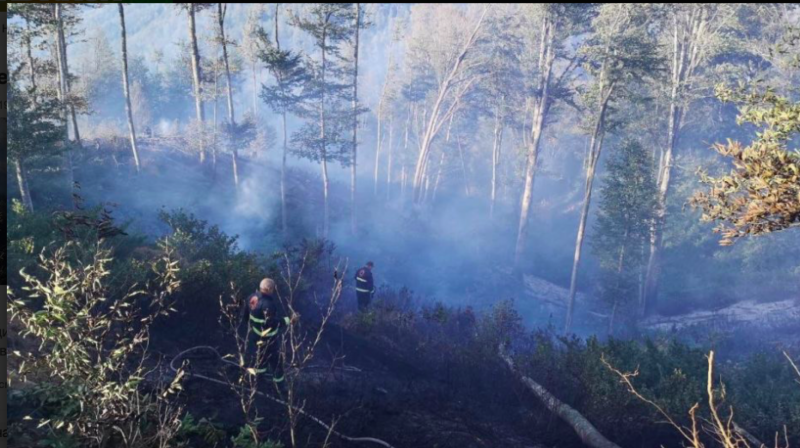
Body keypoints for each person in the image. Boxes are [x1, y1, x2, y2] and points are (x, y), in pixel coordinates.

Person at [243, 278, 293, 383]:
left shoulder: (252, 297)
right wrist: (289, 320)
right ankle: (280, 387)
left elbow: (245, 317)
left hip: (256, 337)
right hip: (269, 341)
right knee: (276, 363)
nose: (274, 291)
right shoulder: (268, 304)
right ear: (269, 289)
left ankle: (258, 382)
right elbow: (272, 324)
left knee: (260, 360)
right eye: (273, 288)